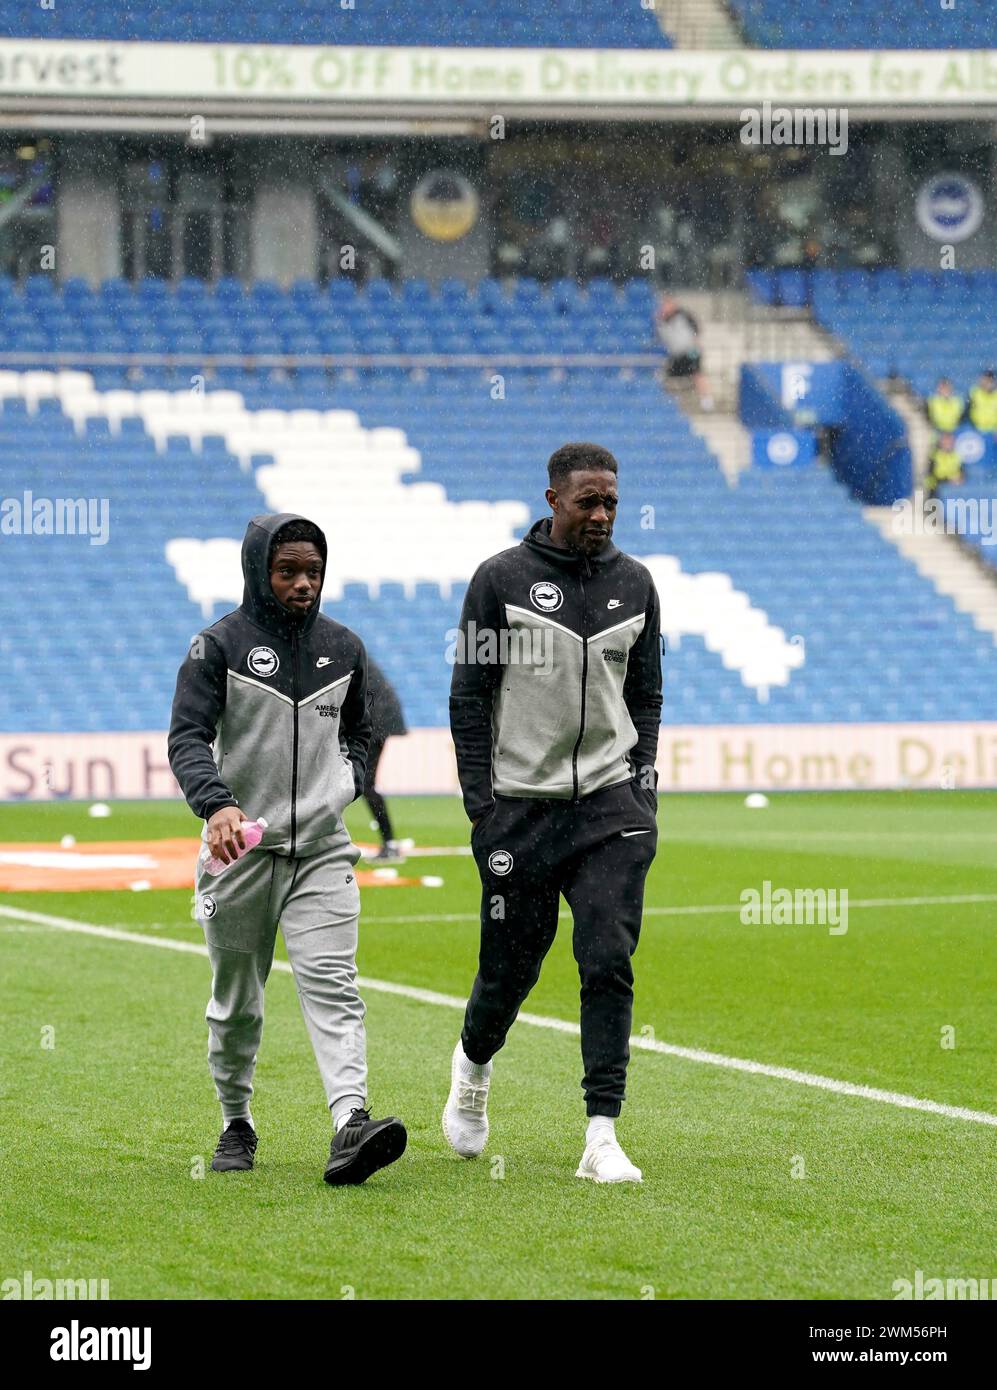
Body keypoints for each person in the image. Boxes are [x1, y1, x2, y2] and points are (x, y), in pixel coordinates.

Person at [444, 442, 662, 1183]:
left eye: (610, 502)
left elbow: (646, 693)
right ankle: (473, 1065)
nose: (600, 515)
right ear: (552, 500)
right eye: (586, 502)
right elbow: (467, 698)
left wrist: (643, 784)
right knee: (509, 974)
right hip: (520, 814)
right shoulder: (498, 581)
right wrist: (482, 806)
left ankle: (601, 1133)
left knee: (606, 957)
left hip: (609, 808)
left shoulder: (635, 584)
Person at [168, 512, 406, 1185]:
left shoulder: (344, 648)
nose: (304, 584)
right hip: (238, 856)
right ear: (259, 572)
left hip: (323, 851)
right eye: (288, 571)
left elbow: (362, 732)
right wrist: (216, 804)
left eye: (313, 571)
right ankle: (236, 1122)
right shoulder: (216, 646)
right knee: (237, 1001)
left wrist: (349, 782)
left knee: (333, 985)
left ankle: (350, 1123)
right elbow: (186, 737)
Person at [362, 655, 408, 864]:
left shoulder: (340, 655)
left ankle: (389, 843)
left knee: (365, 784)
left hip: (377, 719)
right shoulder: (349, 651)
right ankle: (389, 842)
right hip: (380, 716)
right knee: (364, 783)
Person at [655, 294, 714, 410]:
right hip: (676, 355)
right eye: (664, 306)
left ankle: (707, 400)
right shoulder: (661, 322)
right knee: (666, 377)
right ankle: (671, 405)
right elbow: (661, 338)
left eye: (668, 305)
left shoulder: (684, 315)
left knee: (697, 373)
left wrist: (695, 345)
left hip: (690, 351)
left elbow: (697, 330)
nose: (665, 308)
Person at [968, 369, 997, 439]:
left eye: (990, 381)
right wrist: (972, 429)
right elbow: (966, 414)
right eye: (985, 380)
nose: (987, 383)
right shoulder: (974, 393)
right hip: (977, 432)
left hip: (994, 433)